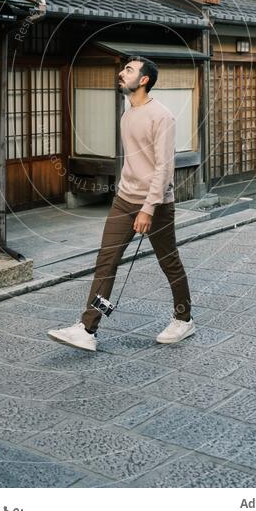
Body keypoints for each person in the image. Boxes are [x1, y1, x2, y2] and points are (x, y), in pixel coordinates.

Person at [47, 56, 194, 352]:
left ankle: (184, 319)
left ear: (143, 80)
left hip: (156, 204)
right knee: (106, 260)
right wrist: (129, 198)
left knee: (169, 261)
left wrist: (148, 208)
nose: (121, 73)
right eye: (123, 68)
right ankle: (87, 328)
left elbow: (164, 168)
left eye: (128, 70)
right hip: (124, 199)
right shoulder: (127, 113)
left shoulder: (161, 116)